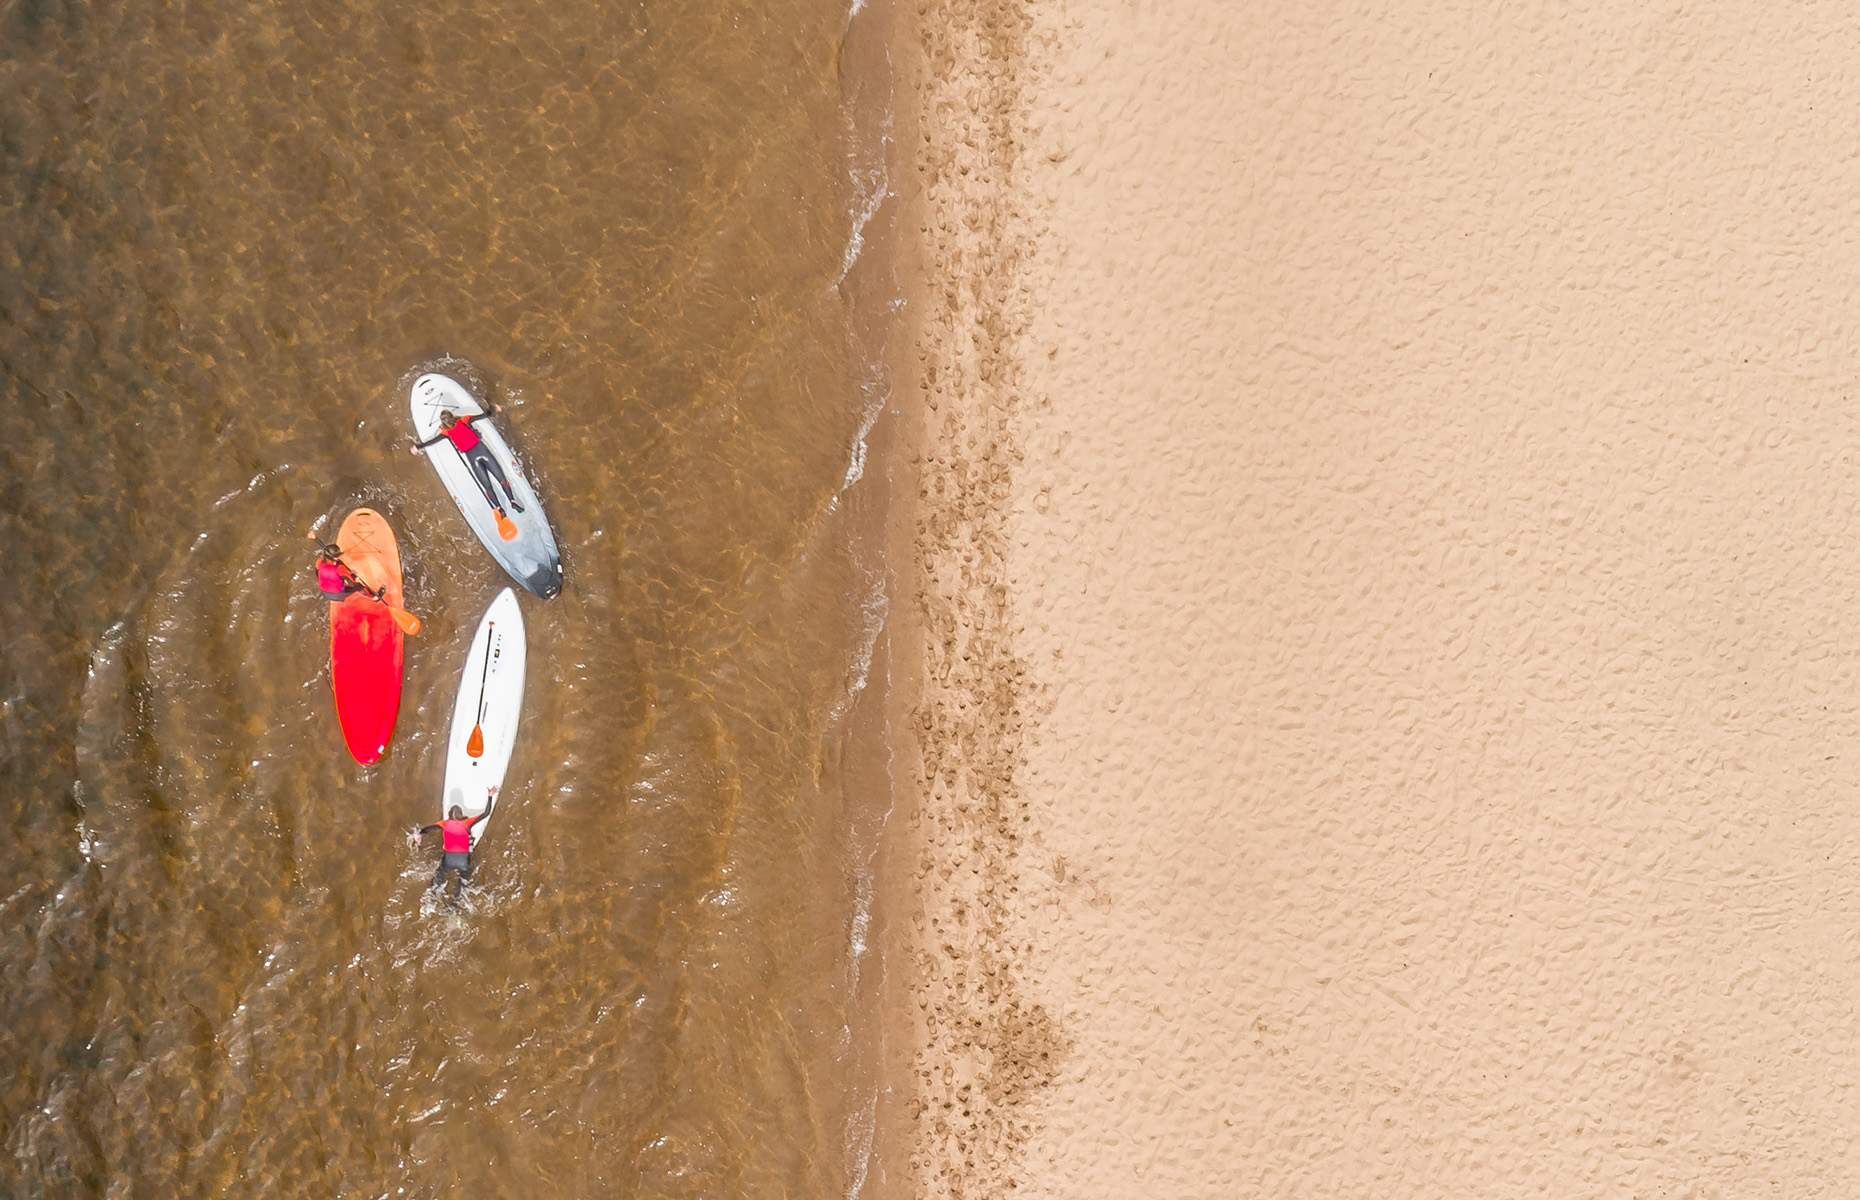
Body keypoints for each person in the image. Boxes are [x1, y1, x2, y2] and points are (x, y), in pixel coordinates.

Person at [409, 406, 525, 518]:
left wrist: (417, 447)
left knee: (487, 487)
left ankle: (500, 509)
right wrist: (494, 409)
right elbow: (485, 414)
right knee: (502, 480)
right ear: (452, 416)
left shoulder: (446, 433)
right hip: (484, 452)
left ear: (443, 423)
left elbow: (431, 442)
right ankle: (512, 502)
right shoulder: (465, 420)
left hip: (472, 459)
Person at [411, 805, 487, 902]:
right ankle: (454, 906)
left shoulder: (445, 824)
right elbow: (486, 813)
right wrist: (490, 796)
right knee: (463, 881)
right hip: (463, 861)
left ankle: (430, 898)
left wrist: (419, 833)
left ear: (449, 816)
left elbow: (429, 829)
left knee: (439, 875)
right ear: (461, 814)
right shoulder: (466, 823)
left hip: (448, 860)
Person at [314, 543, 380, 600]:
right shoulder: (341, 569)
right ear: (334, 558)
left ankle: (340, 585)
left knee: (339, 578)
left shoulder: (318, 563)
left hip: (325, 593)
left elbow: (318, 575)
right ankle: (374, 597)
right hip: (338, 595)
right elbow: (352, 583)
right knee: (359, 586)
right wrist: (354, 577)